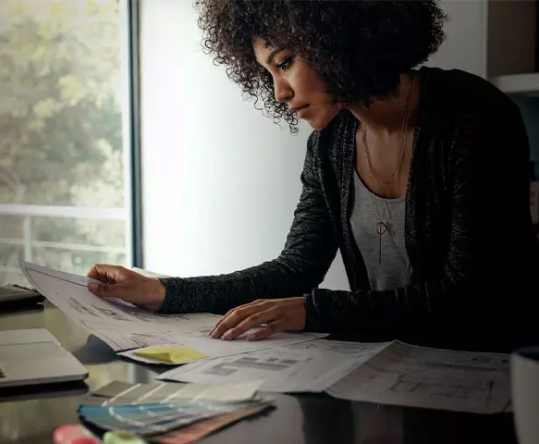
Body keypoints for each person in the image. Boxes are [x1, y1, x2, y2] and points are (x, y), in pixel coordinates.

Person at [87, 0, 539, 351]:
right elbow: (293, 271)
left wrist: (315, 312)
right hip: (393, 367)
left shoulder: (473, 115)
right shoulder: (330, 144)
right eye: (267, 73)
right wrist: (162, 291)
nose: (279, 93)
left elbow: (472, 295)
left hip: (489, 376)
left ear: (339, 36)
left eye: (285, 63)